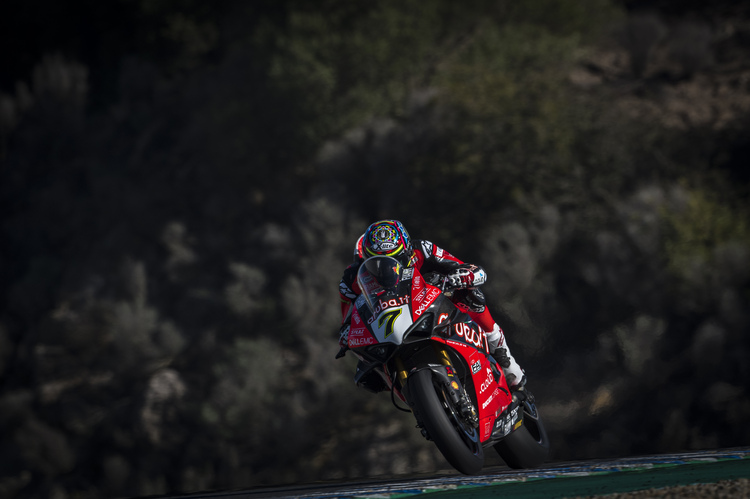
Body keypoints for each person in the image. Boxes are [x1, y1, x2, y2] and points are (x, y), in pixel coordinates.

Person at [337, 219, 526, 389]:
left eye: (397, 259)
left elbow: (470, 269)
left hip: (432, 304)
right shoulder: (350, 279)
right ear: (365, 260)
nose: (390, 268)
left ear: (408, 250)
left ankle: (502, 353)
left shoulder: (423, 249)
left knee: (471, 294)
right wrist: (346, 335)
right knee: (364, 368)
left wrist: (460, 277)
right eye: (378, 264)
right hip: (387, 325)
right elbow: (347, 317)